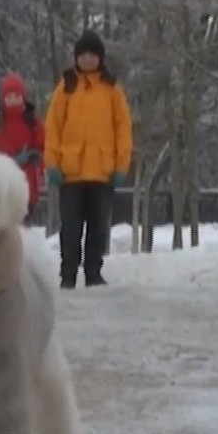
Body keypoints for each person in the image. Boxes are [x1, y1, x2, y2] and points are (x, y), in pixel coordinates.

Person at [44, 30, 132, 288]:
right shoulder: (66, 86)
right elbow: (53, 127)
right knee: (70, 228)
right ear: (76, 58)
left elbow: (123, 128)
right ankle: (68, 273)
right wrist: (52, 164)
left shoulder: (112, 88)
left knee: (98, 228)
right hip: (70, 172)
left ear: (100, 58)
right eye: (83, 55)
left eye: (93, 55)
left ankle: (93, 272)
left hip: (102, 172)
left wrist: (121, 165)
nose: (88, 59)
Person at [0, 72, 44, 223]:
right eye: (9, 97)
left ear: (23, 97)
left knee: (23, 223)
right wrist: (4, 159)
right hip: (0, 183)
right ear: (3, 99)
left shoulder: (32, 122)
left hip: (27, 182)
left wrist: (35, 156)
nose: (14, 101)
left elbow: (43, 145)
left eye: (17, 97)